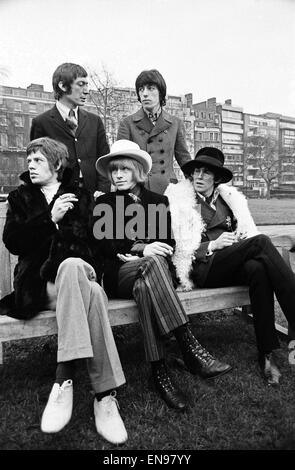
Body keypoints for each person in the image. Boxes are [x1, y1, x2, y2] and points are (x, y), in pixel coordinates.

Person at [0, 137, 127, 444]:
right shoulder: (20, 198)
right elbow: (14, 242)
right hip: (39, 284)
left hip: (80, 274)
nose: (30, 165)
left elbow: (102, 242)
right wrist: (50, 220)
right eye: (28, 160)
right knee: (90, 293)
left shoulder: (82, 196)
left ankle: (64, 381)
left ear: (57, 164)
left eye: (38, 160)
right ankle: (104, 397)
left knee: (74, 268)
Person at [94, 139, 231, 411]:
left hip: (150, 277)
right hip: (118, 277)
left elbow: (167, 243)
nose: (117, 174)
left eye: (124, 168)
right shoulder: (105, 203)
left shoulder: (157, 201)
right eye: (113, 170)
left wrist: (143, 251)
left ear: (137, 170)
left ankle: (160, 372)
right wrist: (142, 247)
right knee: (153, 261)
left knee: (150, 277)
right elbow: (104, 245)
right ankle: (188, 345)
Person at [164, 146, 295, 386]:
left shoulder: (229, 199)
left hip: (230, 263)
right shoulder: (178, 200)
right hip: (201, 266)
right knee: (262, 243)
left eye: (206, 172)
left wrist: (237, 240)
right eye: (196, 172)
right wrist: (213, 244)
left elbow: (244, 230)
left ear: (217, 178)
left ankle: (266, 354)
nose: (199, 177)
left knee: (258, 269)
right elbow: (176, 245)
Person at [30, 62, 110, 194]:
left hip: (93, 198)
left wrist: (103, 193)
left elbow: (104, 161)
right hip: (60, 199)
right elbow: (37, 166)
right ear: (62, 86)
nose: (87, 90)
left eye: (87, 84)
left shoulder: (95, 121)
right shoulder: (41, 123)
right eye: (80, 84)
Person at [117, 69, 192, 195]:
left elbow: (184, 160)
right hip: (138, 192)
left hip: (168, 191)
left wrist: (195, 189)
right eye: (141, 89)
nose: (145, 94)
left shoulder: (175, 123)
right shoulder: (127, 124)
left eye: (151, 88)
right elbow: (119, 163)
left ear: (161, 93)